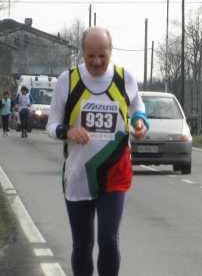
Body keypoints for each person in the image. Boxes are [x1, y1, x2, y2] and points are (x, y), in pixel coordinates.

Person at [46, 26, 149, 276]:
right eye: (91, 56)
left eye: (102, 55)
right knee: (82, 245)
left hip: (115, 174)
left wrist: (140, 123)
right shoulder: (67, 81)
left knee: (108, 240)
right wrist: (68, 130)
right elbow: (51, 125)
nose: (97, 62)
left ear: (111, 51)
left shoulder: (125, 78)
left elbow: (137, 107)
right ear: (82, 52)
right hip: (78, 175)